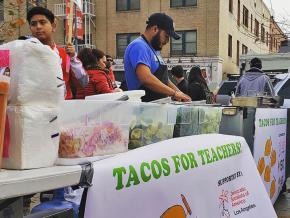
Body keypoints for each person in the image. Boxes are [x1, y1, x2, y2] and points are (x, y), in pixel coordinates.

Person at [124, 13, 191, 102]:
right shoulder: (139, 46)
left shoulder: (155, 51)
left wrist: (180, 94)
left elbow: (164, 80)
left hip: (155, 108)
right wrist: (174, 93)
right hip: (142, 108)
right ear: (155, 29)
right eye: (166, 36)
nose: (167, 41)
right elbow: (146, 78)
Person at [26, 7, 88, 100]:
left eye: (43, 22)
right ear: (30, 28)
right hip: (34, 109)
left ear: (53, 26)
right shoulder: (23, 52)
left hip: (64, 109)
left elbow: (83, 82)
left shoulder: (66, 55)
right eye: (33, 24)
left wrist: (73, 58)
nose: (38, 27)